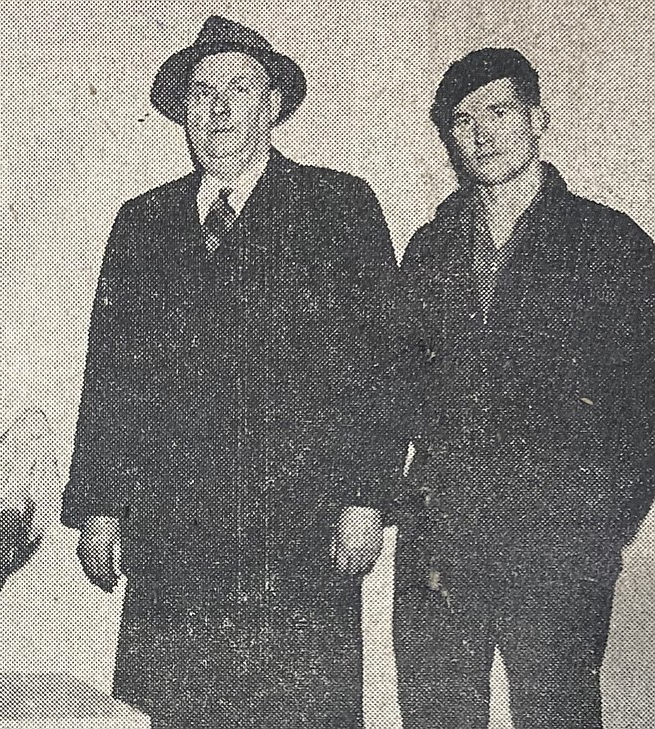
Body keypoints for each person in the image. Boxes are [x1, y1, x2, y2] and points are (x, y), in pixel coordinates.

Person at [61, 16, 407, 728]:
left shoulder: (338, 207)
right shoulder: (142, 222)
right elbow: (112, 378)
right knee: (175, 710)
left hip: (300, 538)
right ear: (182, 110)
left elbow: (385, 368)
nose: (218, 108)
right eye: (201, 92)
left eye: (239, 89)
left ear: (272, 105)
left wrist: (366, 498)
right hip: (174, 541)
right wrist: (99, 505)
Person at [394, 48, 655, 729]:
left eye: (499, 112)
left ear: (537, 119)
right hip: (441, 548)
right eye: (461, 120)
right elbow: (400, 387)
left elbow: (645, 405)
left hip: (557, 548)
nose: (481, 133)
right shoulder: (430, 248)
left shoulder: (610, 245)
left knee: (558, 717)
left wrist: (598, 524)